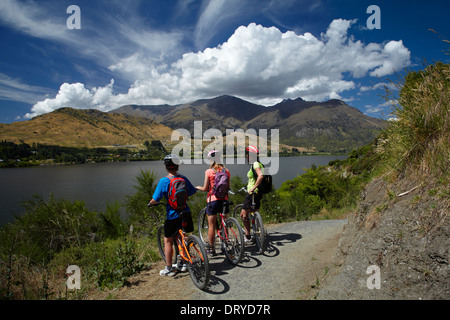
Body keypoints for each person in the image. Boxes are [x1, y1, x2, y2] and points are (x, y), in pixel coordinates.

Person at [148, 154, 196, 276]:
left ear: (166, 167)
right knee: (182, 237)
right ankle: (184, 264)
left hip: (173, 215)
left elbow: (156, 199)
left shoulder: (164, 181)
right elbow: (192, 191)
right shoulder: (183, 178)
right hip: (185, 212)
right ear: (177, 166)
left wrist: (150, 203)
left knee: (168, 240)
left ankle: (169, 268)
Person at [196, 150, 231, 255]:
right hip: (224, 200)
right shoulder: (226, 171)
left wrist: (198, 188)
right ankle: (225, 244)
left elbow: (205, 188)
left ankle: (211, 249)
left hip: (213, 200)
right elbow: (228, 187)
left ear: (210, 159)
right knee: (224, 222)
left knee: (211, 226)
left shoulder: (209, 171)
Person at [240, 145, 264, 244]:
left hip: (252, 193)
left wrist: (253, 187)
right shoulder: (260, 164)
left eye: (247, 154)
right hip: (259, 193)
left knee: (243, 214)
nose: (246, 156)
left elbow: (261, 176)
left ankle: (248, 237)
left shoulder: (255, 164)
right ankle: (258, 233)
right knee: (255, 212)